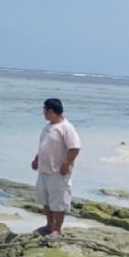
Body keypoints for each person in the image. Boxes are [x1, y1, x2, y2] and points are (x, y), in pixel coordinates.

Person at [31, 98, 81, 238]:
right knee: (45, 200)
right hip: (44, 170)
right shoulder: (48, 126)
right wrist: (36, 159)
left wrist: (66, 164)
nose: (43, 113)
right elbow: (44, 145)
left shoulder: (66, 127)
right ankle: (49, 225)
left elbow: (75, 148)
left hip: (58, 172)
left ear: (51, 111)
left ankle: (57, 230)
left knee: (58, 202)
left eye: (44, 110)